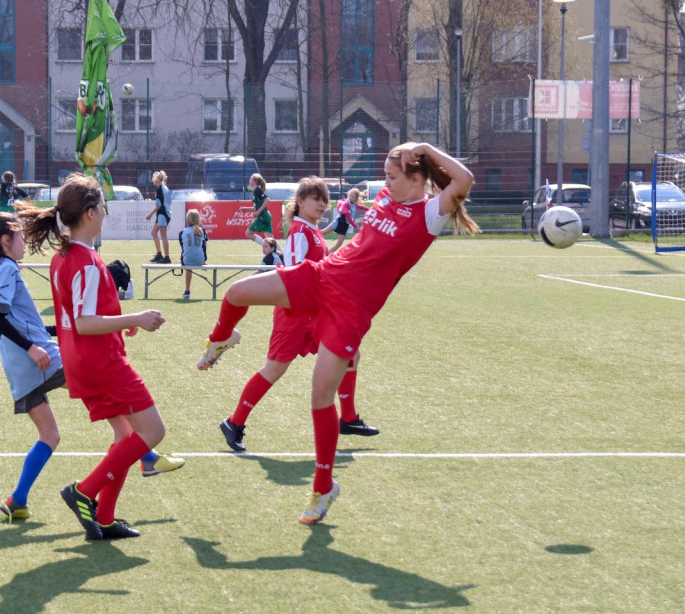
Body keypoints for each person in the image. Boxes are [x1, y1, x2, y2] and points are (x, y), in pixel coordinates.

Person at [198, 143, 479, 524]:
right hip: (322, 276)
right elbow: (396, 169)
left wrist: (426, 148)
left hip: (350, 310)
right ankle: (221, 338)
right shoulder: (388, 196)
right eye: (385, 176)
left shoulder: (429, 213)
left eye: (392, 177)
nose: (384, 183)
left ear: (416, 180)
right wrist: (403, 151)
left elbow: (464, 180)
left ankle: (323, 486)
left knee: (319, 396)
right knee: (236, 293)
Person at [21, 174, 172, 540]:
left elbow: (79, 317)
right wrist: (136, 317)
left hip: (82, 361)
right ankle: (84, 491)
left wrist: (119, 325)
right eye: (102, 206)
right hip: (100, 362)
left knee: (124, 438)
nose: (105, 211)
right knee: (153, 431)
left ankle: (104, 518)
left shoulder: (64, 256)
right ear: (89, 214)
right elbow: (86, 322)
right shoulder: (86, 261)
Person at [220, 178, 377, 453]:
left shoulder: (313, 229)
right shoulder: (299, 232)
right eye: (315, 199)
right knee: (274, 370)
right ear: (300, 202)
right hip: (294, 314)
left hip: (316, 312)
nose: (321, 204)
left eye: (324, 200)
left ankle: (349, 418)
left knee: (350, 354)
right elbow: (293, 274)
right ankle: (234, 423)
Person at [0, 211, 67, 523]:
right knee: (102, 385)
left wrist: (69, 330)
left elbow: (26, 325)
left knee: (50, 435)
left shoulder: (1, 270)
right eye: (19, 236)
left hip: (19, 371)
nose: (24, 241)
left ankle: (18, 499)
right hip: (38, 360)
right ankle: (145, 453)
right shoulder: (8, 268)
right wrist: (33, 347)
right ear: (5, 241)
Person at [322, 188, 366, 255]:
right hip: (338, 222)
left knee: (339, 243)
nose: (351, 198)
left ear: (356, 198)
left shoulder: (354, 204)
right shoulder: (346, 204)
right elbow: (348, 217)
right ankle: (312, 238)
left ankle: (326, 255)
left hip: (344, 226)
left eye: (353, 196)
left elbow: (361, 207)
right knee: (323, 232)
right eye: (350, 195)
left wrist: (372, 209)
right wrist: (355, 226)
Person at [178, 209, 208, 299]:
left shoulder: (182, 232)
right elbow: (204, 247)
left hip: (186, 260)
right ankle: (201, 261)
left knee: (188, 261)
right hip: (201, 260)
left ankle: (187, 290)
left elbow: (183, 249)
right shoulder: (202, 230)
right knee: (193, 255)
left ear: (187, 220)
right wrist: (203, 260)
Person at [145, 171, 172, 263]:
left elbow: (158, 205)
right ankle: (159, 254)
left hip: (162, 214)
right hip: (164, 214)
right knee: (153, 232)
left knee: (164, 236)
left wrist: (150, 214)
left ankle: (167, 257)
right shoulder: (165, 188)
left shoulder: (160, 190)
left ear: (156, 180)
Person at [245, 173, 273, 242]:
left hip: (262, 217)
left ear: (254, 182)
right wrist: (245, 209)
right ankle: (280, 252)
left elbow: (267, 201)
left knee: (248, 233)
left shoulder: (257, 191)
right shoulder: (255, 191)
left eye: (250, 179)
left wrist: (258, 212)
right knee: (270, 240)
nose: (249, 181)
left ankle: (265, 245)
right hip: (266, 216)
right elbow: (257, 207)